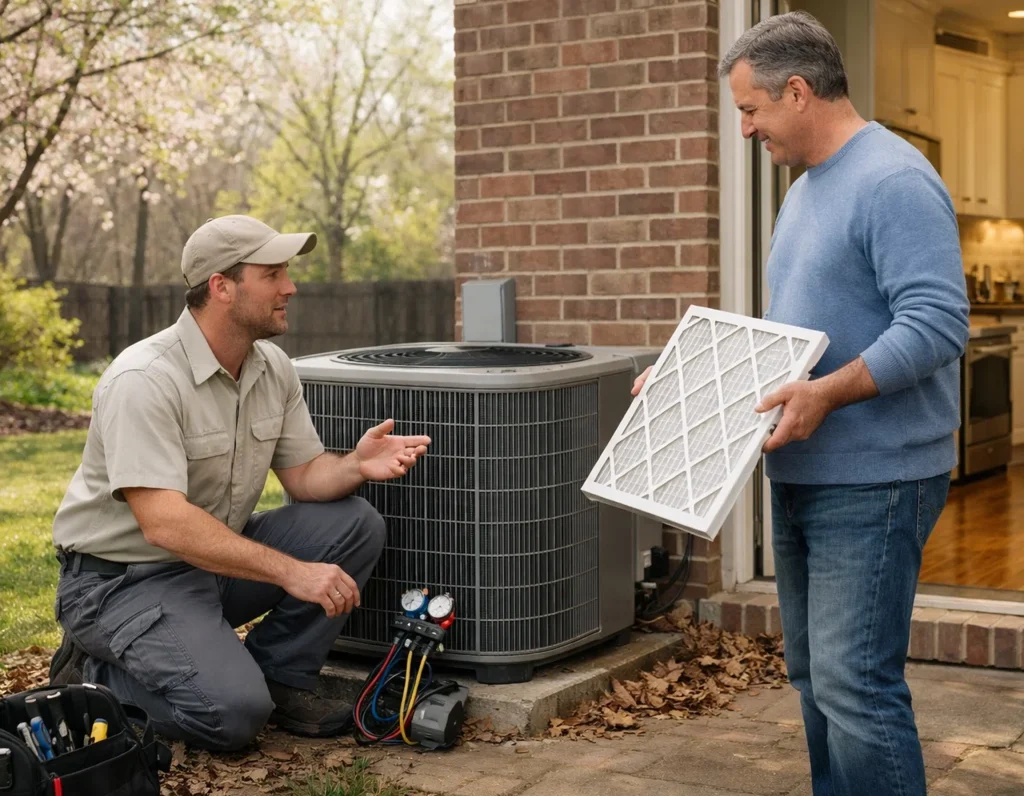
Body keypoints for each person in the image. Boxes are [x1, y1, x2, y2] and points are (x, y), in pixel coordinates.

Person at [633, 12, 969, 796]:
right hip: (805, 475)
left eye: (750, 109)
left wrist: (827, 394)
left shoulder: (892, 180)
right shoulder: (806, 192)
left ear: (796, 91)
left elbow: (937, 322)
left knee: (856, 686)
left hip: (877, 480)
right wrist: (685, 378)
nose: (745, 129)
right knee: (817, 677)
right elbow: (789, 338)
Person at [47, 215, 431, 752]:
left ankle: (279, 678)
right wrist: (294, 572)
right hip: (121, 583)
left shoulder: (271, 366)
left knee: (354, 523)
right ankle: (92, 674)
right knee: (232, 716)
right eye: (272, 274)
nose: (290, 287)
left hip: (208, 564)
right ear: (221, 287)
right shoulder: (144, 380)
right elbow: (164, 524)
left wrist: (355, 466)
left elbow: (303, 475)